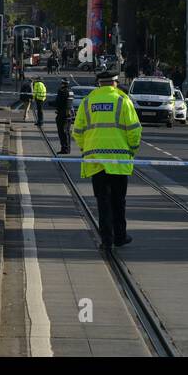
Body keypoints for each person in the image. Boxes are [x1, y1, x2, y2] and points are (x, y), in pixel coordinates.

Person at [72, 69, 142, 250]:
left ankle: (106, 240)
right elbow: (134, 130)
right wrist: (132, 150)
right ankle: (120, 236)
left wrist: (85, 148)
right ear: (115, 83)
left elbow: (77, 131)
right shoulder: (122, 100)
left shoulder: (88, 101)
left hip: (95, 161)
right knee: (119, 201)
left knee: (103, 202)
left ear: (99, 83)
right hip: (119, 162)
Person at [54, 80, 72, 154]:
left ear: (62, 84)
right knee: (67, 132)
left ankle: (64, 149)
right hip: (69, 114)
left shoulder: (62, 91)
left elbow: (59, 102)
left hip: (62, 114)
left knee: (62, 132)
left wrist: (51, 103)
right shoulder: (71, 91)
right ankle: (67, 148)